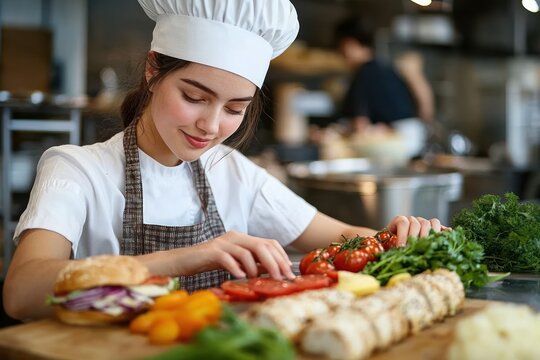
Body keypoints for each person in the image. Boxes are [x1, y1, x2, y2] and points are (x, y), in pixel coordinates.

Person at [3, 0, 445, 321]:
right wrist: (189, 258)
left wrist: (401, 236)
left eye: (235, 108)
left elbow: (345, 241)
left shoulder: (230, 172)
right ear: (153, 71)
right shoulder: (77, 170)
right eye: (194, 97)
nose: (211, 126)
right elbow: (22, 293)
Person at [335, 17, 434, 157]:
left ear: (349, 44)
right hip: (415, 138)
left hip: (396, 142)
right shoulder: (384, 67)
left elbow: (360, 124)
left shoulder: (364, 73)